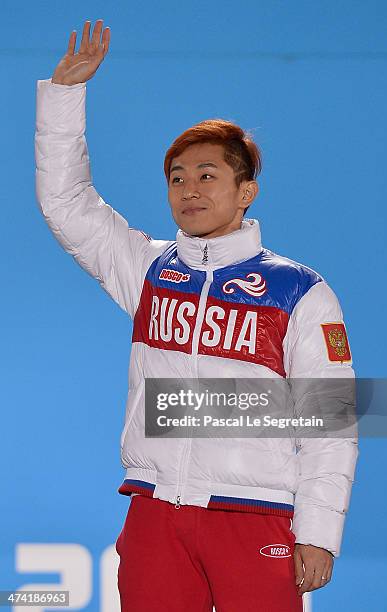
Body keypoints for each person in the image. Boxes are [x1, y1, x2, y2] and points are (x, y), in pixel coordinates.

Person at [35, 19, 358, 612]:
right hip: (155, 510)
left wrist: (317, 533)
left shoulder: (300, 292)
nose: (189, 189)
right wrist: (63, 99)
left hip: (255, 517)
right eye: (177, 178)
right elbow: (66, 204)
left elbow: (332, 423)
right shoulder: (147, 268)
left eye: (208, 175)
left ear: (246, 190)